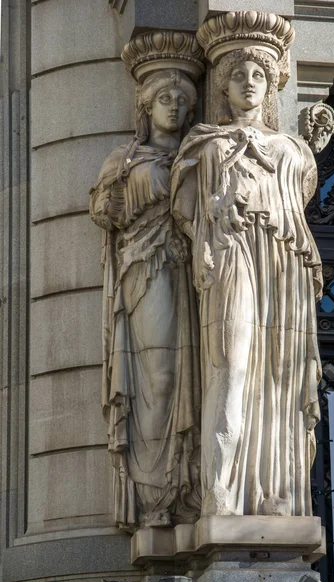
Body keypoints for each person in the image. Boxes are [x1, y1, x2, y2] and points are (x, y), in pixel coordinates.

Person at [171, 48, 322, 518]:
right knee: (232, 367)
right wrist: (215, 209)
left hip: (283, 258)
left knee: (278, 377)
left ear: (273, 85)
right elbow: (185, 208)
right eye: (239, 75)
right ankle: (221, 493)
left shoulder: (292, 148)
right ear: (224, 86)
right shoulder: (205, 143)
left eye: (260, 75)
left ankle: (271, 495)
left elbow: (300, 195)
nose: (250, 82)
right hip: (231, 253)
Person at [90, 69, 201, 530]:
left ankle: (187, 482)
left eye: (181, 98)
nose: (173, 105)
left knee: (195, 376)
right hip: (145, 266)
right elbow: (103, 212)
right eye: (164, 98)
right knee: (159, 375)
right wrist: (115, 197)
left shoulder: (200, 150)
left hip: (195, 267)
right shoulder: (126, 159)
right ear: (146, 108)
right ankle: (155, 493)